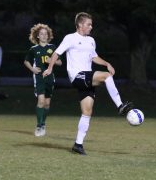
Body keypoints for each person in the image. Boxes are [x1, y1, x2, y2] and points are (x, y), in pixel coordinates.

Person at [42, 12, 133, 155]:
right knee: (107, 77)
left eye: (91, 24)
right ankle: (120, 105)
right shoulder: (70, 38)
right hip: (78, 76)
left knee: (87, 112)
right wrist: (49, 68)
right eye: (88, 24)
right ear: (80, 25)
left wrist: (107, 63)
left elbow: (94, 57)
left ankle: (78, 145)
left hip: (87, 78)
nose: (91, 27)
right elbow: (56, 54)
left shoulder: (91, 40)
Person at [24, 23, 62, 137]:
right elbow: (26, 61)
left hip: (50, 78)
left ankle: (43, 123)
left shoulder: (53, 48)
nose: (44, 35)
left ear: (48, 35)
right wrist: (33, 69)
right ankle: (39, 126)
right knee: (40, 101)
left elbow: (60, 62)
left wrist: (52, 61)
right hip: (39, 77)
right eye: (41, 34)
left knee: (47, 103)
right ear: (38, 36)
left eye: (46, 33)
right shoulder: (34, 49)